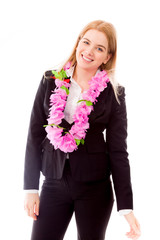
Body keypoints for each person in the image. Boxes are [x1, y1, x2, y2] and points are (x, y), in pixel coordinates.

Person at [24, 20, 141, 240]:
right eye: (86, 42)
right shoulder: (50, 79)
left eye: (99, 48)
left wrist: (126, 207)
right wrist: (30, 188)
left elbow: (118, 151)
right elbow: (34, 134)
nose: (89, 51)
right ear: (78, 43)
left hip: (95, 188)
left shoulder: (114, 93)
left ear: (107, 57)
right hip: (53, 182)